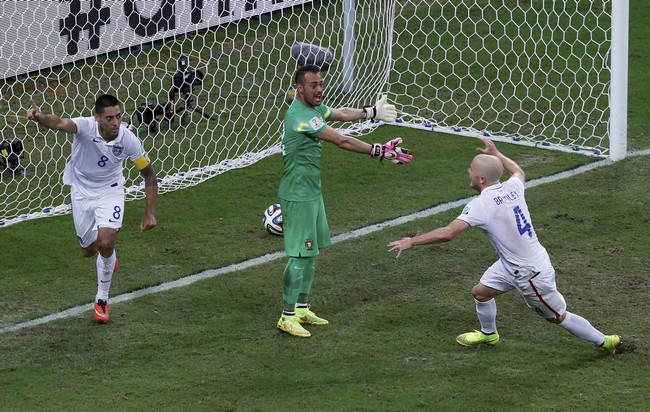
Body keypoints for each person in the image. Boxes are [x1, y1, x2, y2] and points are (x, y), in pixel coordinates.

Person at [387, 137, 620, 353]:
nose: (468, 171)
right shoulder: (512, 187)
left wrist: (411, 241)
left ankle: (604, 341)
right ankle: (489, 335)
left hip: (530, 273)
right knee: (480, 293)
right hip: (514, 263)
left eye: (472, 169)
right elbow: (518, 171)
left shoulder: (482, 204)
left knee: (557, 316)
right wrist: (497, 153)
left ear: (480, 179)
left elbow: (448, 233)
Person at [277, 64, 413, 337]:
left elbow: (341, 114)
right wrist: (377, 150)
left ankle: (302, 309)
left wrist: (370, 112)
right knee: (299, 255)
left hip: (312, 192)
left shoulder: (315, 108)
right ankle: (286, 315)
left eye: (321, 84)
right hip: (297, 195)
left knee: (311, 254)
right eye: (313, 85)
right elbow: (342, 141)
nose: (319, 90)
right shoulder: (300, 116)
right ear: (299, 88)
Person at [26, 94, 158, 324]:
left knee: (106, 241)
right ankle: (108, 259)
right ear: (97, 117)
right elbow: (59, 123)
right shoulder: (85, 127)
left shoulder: (128, 140)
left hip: (111, 191)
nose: (115, 122)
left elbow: (149, 176)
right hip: (81, 193)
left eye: (118, 116)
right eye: (109, 118)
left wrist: (150, 212)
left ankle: (102, 300)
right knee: (89, 251)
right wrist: (40, 117)